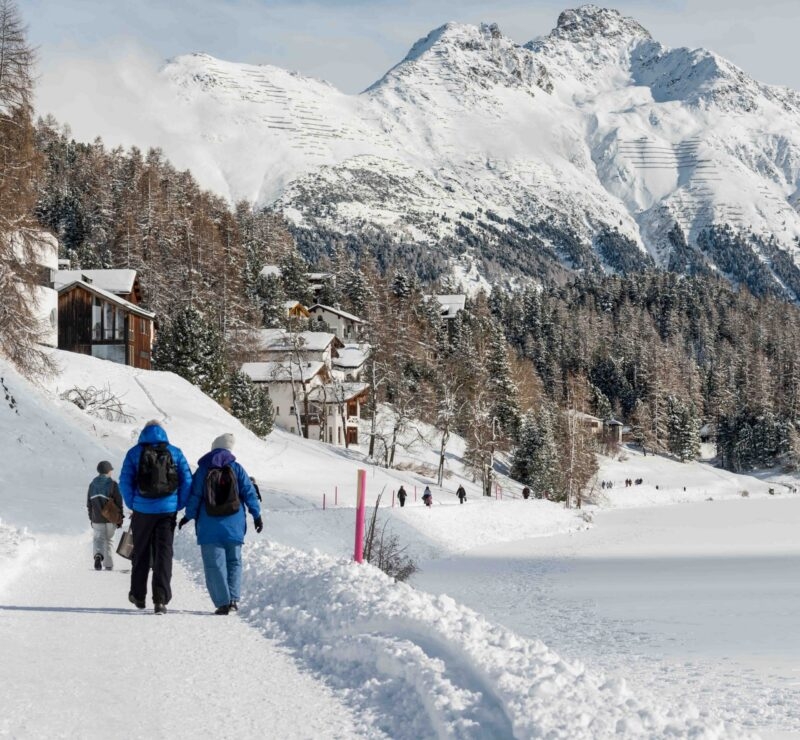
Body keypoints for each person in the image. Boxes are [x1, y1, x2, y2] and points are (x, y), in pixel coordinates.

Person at [180, 433, 262, 615]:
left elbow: (195, 496)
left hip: (209, 526)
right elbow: (249, 492)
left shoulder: (203, 470)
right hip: (234, 525)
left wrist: (188, 516)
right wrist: (256, 515)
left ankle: (222, 603)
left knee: (214, 565)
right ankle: (233, 600)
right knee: (234, 562)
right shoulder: (237, 468)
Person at [119, 420, 192, 615]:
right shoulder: (175, 452)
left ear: (143, 433)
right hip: (167, 511)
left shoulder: (134, 453)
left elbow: (124, 481)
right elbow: (187, 480)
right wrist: (178, 504)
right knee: (163, 554)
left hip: (142, 511)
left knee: (140, 552)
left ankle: (138, 595)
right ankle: (160, 599)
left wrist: (133, 503)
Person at [87, 460, 124, 571]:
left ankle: (98, 555)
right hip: (111, 519)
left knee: (98, 539)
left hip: (97, 519)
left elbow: (89, 504)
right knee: (109, 540)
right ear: (108, 471)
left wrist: (91, 517)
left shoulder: (92, 485)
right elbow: (119, 503)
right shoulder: (113, 484)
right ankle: (108, 564)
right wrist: (120, 518)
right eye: (110, 470)